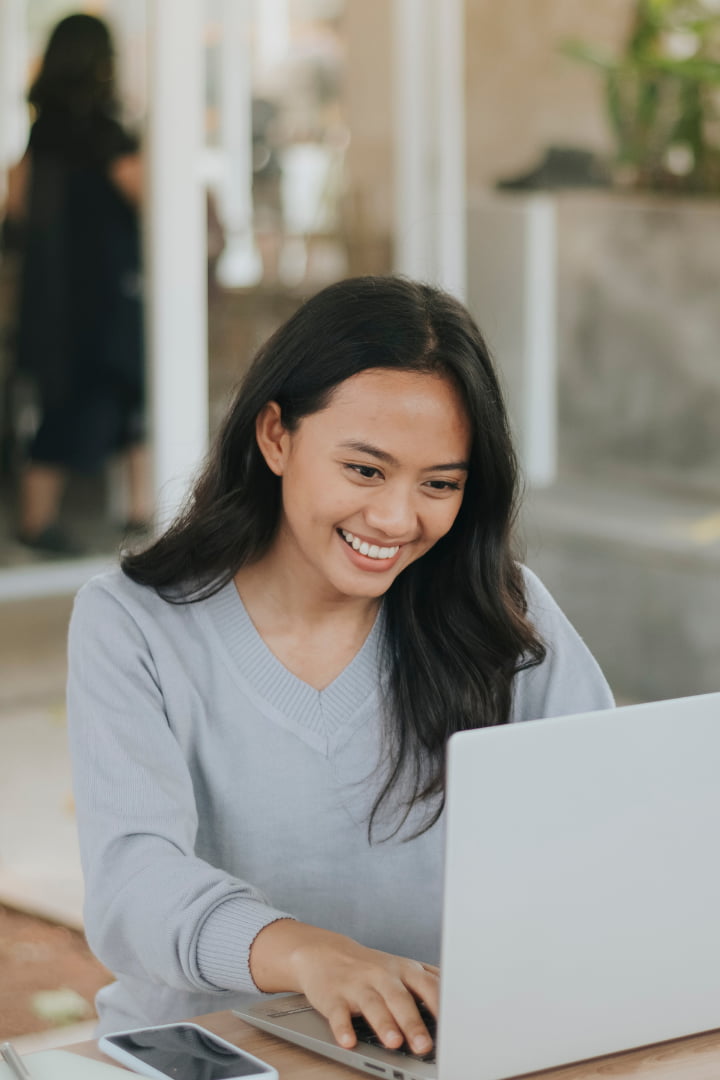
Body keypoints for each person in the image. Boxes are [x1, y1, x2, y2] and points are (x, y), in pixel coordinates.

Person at [67, 276, 614, 1051]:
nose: (394, 518)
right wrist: (310, 956)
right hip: (209, 1052)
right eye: (364, 470)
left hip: (428, 1048)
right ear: (276, 437)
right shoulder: (133, 623)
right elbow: (133, 886)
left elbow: (611, 825)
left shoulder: (504, 612)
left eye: (439, 484)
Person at [3, 13, 149, 556]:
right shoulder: (107, 134)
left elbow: (15, 208)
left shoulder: (43, 132)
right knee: (122, 395)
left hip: (50, 296)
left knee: (72, 401)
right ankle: (135, 516)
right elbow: (150, 199)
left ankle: (45, 521)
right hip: (105, 294)